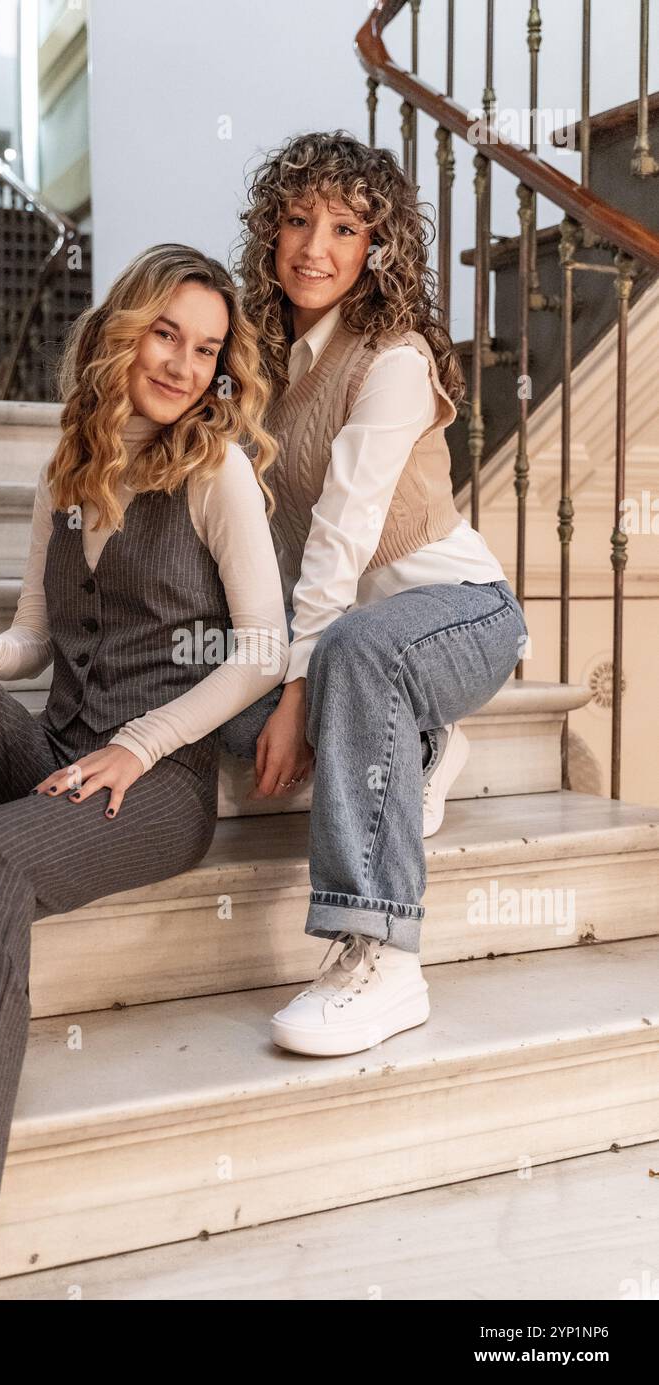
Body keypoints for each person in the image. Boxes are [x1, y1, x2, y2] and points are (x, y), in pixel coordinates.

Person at [0, 243, 289, 1299]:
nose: (180, 364)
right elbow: (36, 638)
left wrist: (144, 744)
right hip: (59, 755)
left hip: (155, 789)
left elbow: (264, 646)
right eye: (165, 333)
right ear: (124, 329)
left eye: (205, 348)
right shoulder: (70, 468)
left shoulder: (213, 470)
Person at [219, 131, 529, 1059]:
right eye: (298, 219)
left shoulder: (391, 358)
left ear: (375, 248)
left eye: (345, 226)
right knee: (223, 699)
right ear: (269, 233)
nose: (316, 246)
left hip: (461, 615)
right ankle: (421, 744)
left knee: (353, 655)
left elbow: (340, 536)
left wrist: (302, 691)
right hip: (359, 643)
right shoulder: (263, 360)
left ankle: (382, 956)